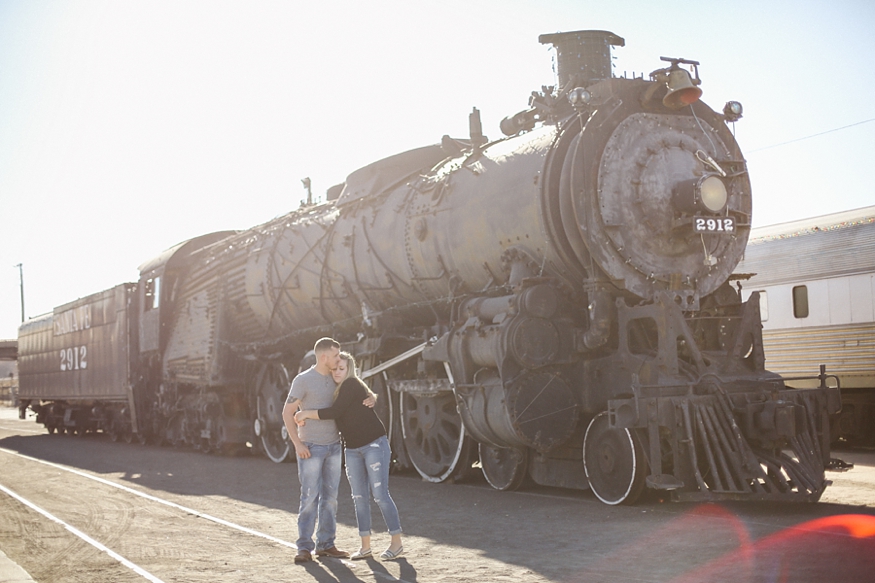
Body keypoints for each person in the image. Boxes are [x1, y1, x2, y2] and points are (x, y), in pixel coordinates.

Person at [296, 352, 404, 561]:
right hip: (352, 449)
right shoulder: (336, 388)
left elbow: (335, 411)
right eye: (334, 369)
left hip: (374, 444)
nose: (337, 372)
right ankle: (365, 547)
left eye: (341, 369)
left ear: (350, 369)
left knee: (380, 494)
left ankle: (396, 543)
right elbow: (361, 397)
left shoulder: (351, 383)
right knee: (359, 498)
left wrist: (305, 413)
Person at [282, 338, 373, 564]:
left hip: (334, 447)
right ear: (324, 357)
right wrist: (297, 444)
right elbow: (287, 412)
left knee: (330, 499)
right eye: (335, 355)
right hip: (310, 448)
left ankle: (326, 545)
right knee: (309, 498)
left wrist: (371, 397)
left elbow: (357, 392)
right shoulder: (302, 380)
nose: (339, 358)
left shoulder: (338, 378)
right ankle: (304, 547)